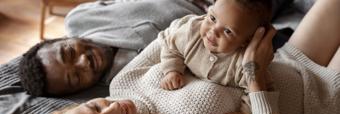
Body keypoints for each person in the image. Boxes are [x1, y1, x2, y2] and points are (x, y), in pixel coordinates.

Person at [27, 0, 340, 114]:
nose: (115, 108)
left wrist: (221, 25)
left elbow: (169, 37)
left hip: (289, 62)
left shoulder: (121, 84)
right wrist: (254, 79)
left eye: (95, 107)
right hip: (319, 112)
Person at [18, 0, 207, 96]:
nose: (83, 61)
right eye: (76, 76)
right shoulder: (127, 81)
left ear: (62, 38)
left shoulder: (78, 18)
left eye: (69, 52)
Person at [158, 0, 273, 114]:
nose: (213, 31)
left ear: (246, 41)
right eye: (212, 18)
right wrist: (172, 70)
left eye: (228, 31)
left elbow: (260, 90)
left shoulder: (245, 63)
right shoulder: (191, 32)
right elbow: (171, 46)